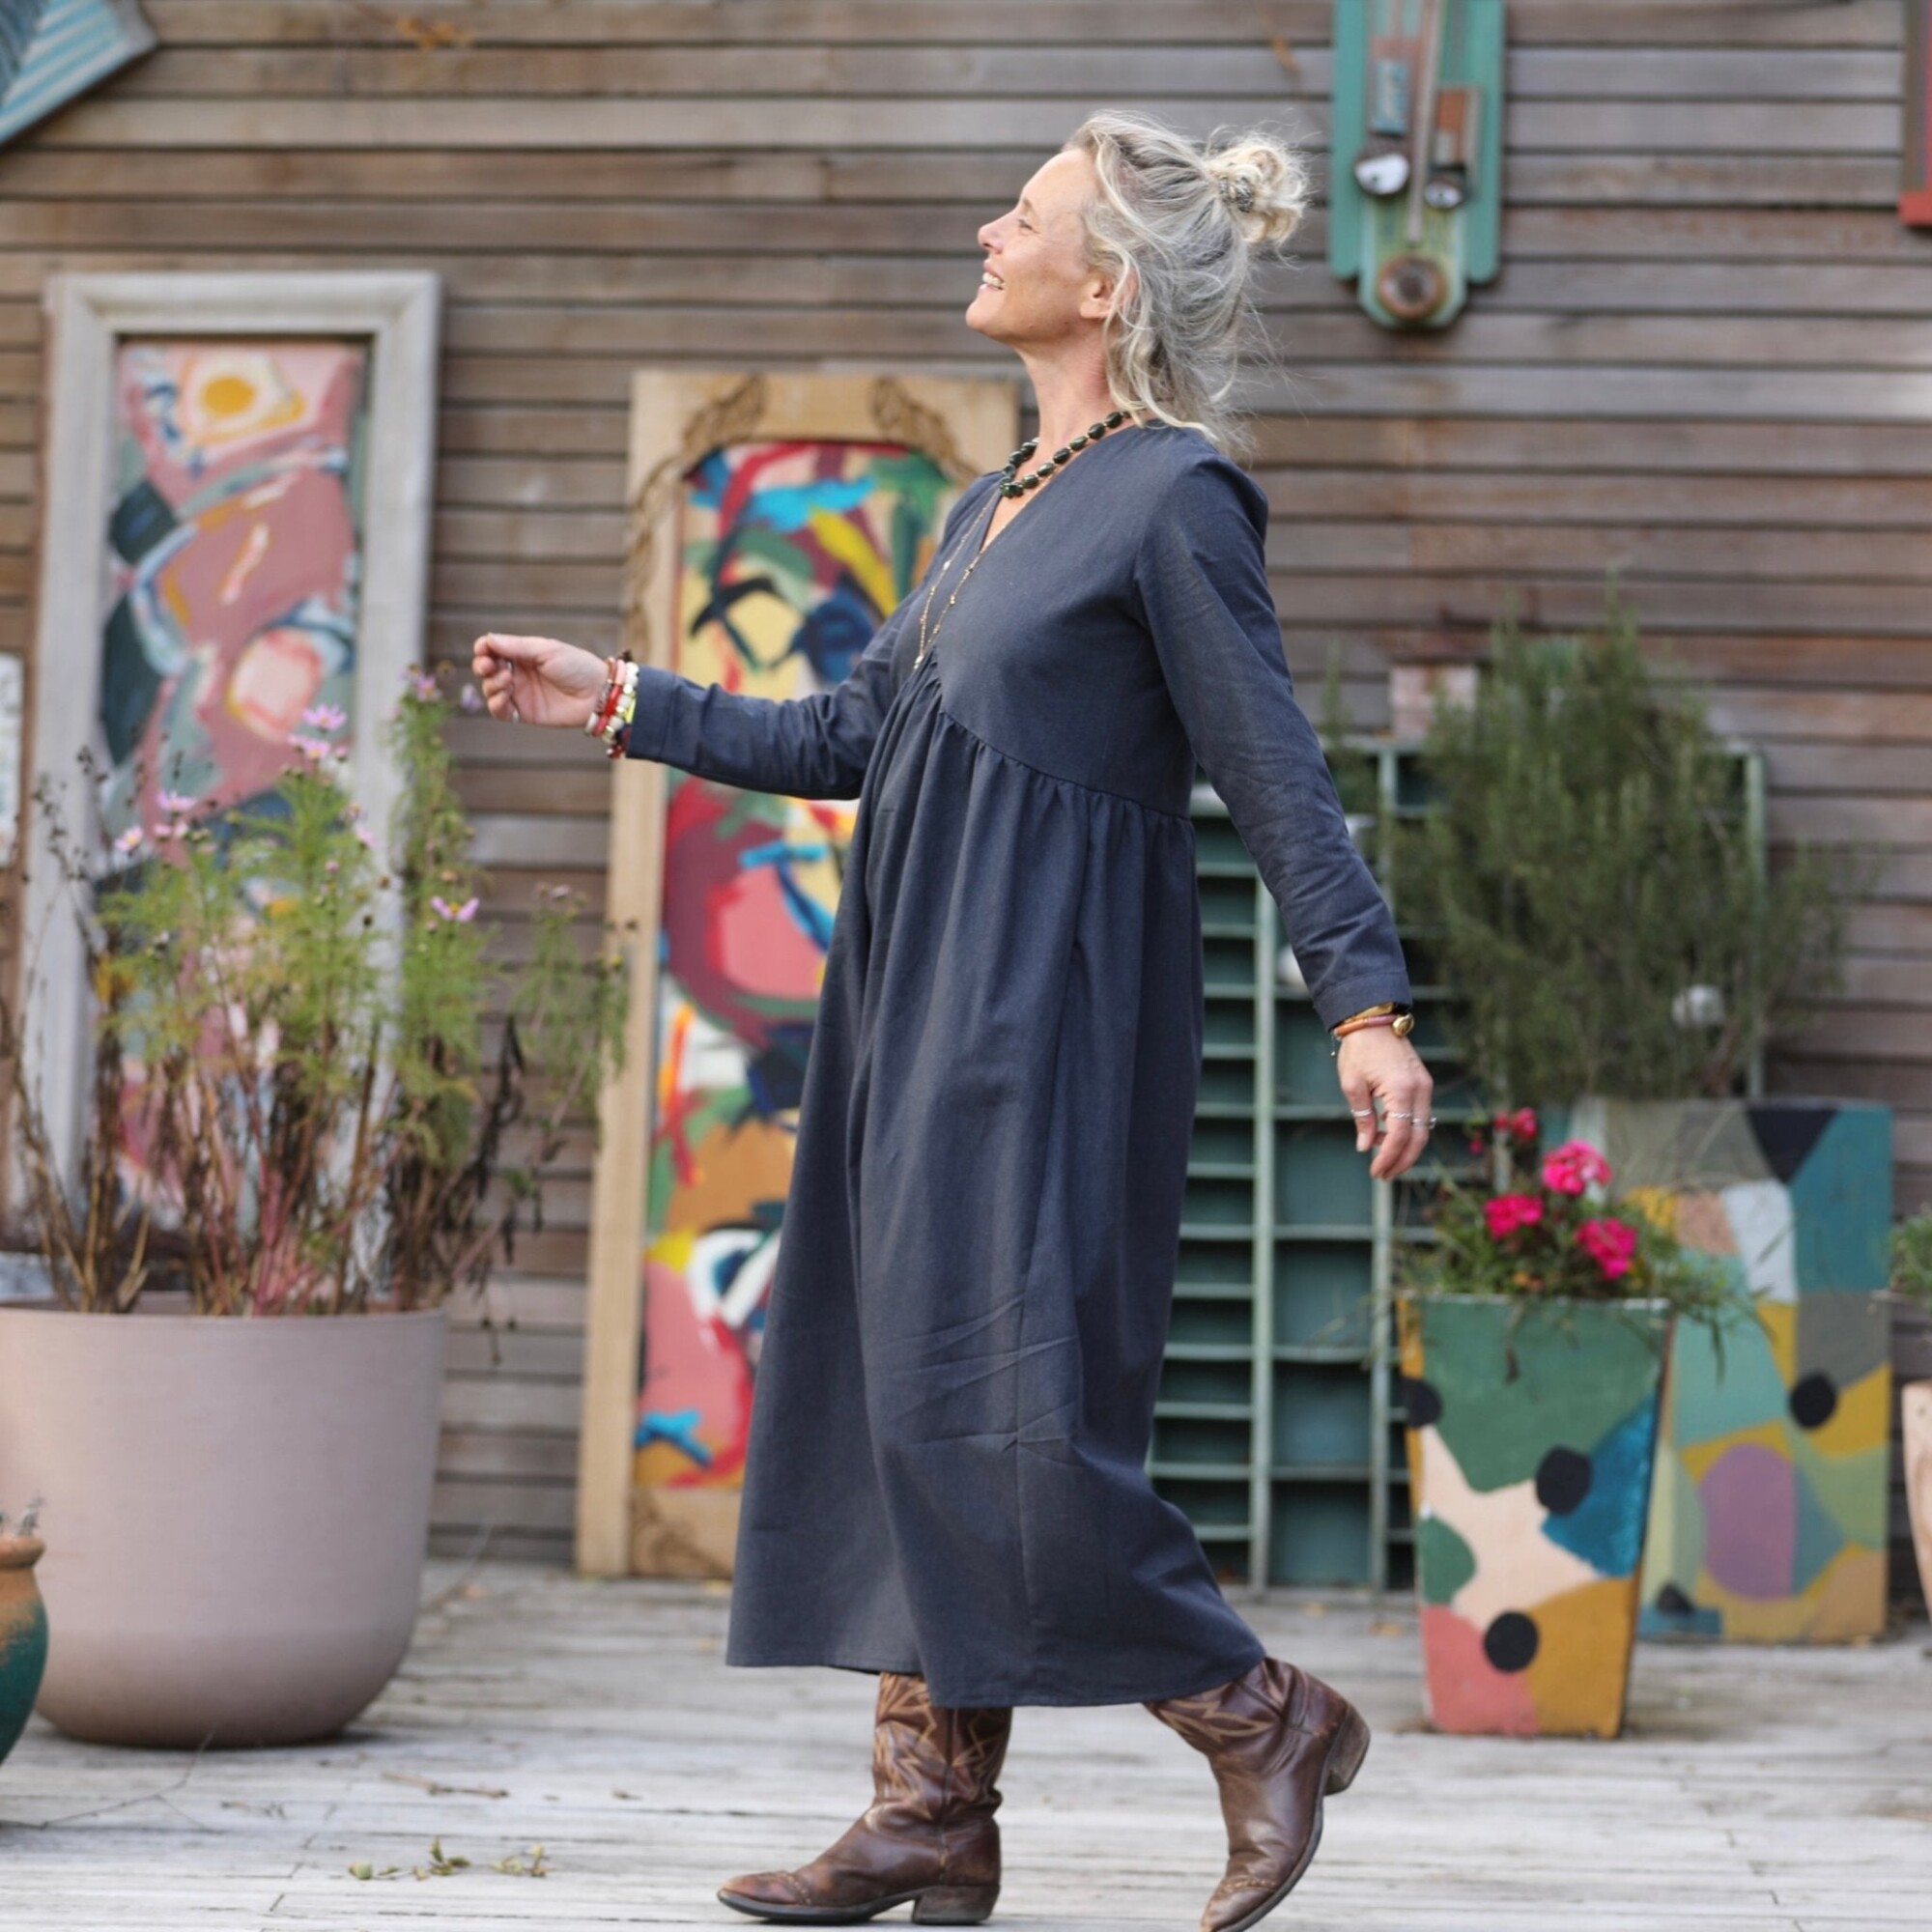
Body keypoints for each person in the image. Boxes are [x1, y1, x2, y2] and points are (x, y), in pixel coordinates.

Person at [474, 108, 1433, 1932]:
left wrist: (1364, 1001)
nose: (990, 231)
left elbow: (1273, 768)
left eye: (1027, 214)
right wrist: (621, 694)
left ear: (1109, 284)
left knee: (1004, 1412)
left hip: (1049, 1000)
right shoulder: (995, 508)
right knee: (902, 1384)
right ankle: (929, 1809)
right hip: (916, 992)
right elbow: (852, 737)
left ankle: (1257, 1712)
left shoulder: (1176, 497)